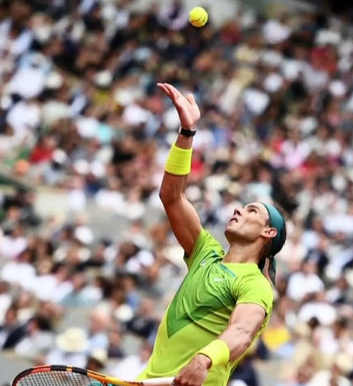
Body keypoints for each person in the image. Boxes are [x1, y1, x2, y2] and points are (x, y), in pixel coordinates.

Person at [135, 83, 287, 386]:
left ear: (269, 232)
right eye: (241, 207)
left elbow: (242, 333)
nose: (238, 211)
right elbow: (172, 196)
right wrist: (187, 133)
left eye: (251, 211)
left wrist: (203, 360)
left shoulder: (255, 285)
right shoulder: (205, 251)